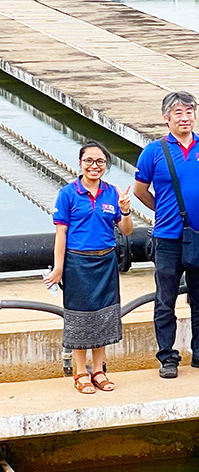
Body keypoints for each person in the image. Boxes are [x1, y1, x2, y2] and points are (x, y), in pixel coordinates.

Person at [133, 91, 199, 378]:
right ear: (166, 118)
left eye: (189, 112)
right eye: (178, 113)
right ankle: (168, 358)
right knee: (166, 300)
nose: (184, 118)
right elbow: (140, 191)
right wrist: (164, 211)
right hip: (168, 238)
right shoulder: (154, 151)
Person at [48, 142, 133, 394]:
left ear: (106, 166)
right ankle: (80, 371)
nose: (94, 166)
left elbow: (126, 231)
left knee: (104, 315)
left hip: (106, 261)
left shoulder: (111, 193)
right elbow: (60, 234)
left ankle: (98, 370)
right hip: (77, 262)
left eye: (100, 162)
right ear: (80, 163)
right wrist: (59, 268)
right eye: (89, 161)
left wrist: (126, 210)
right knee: (79, 316)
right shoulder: (68, 193)